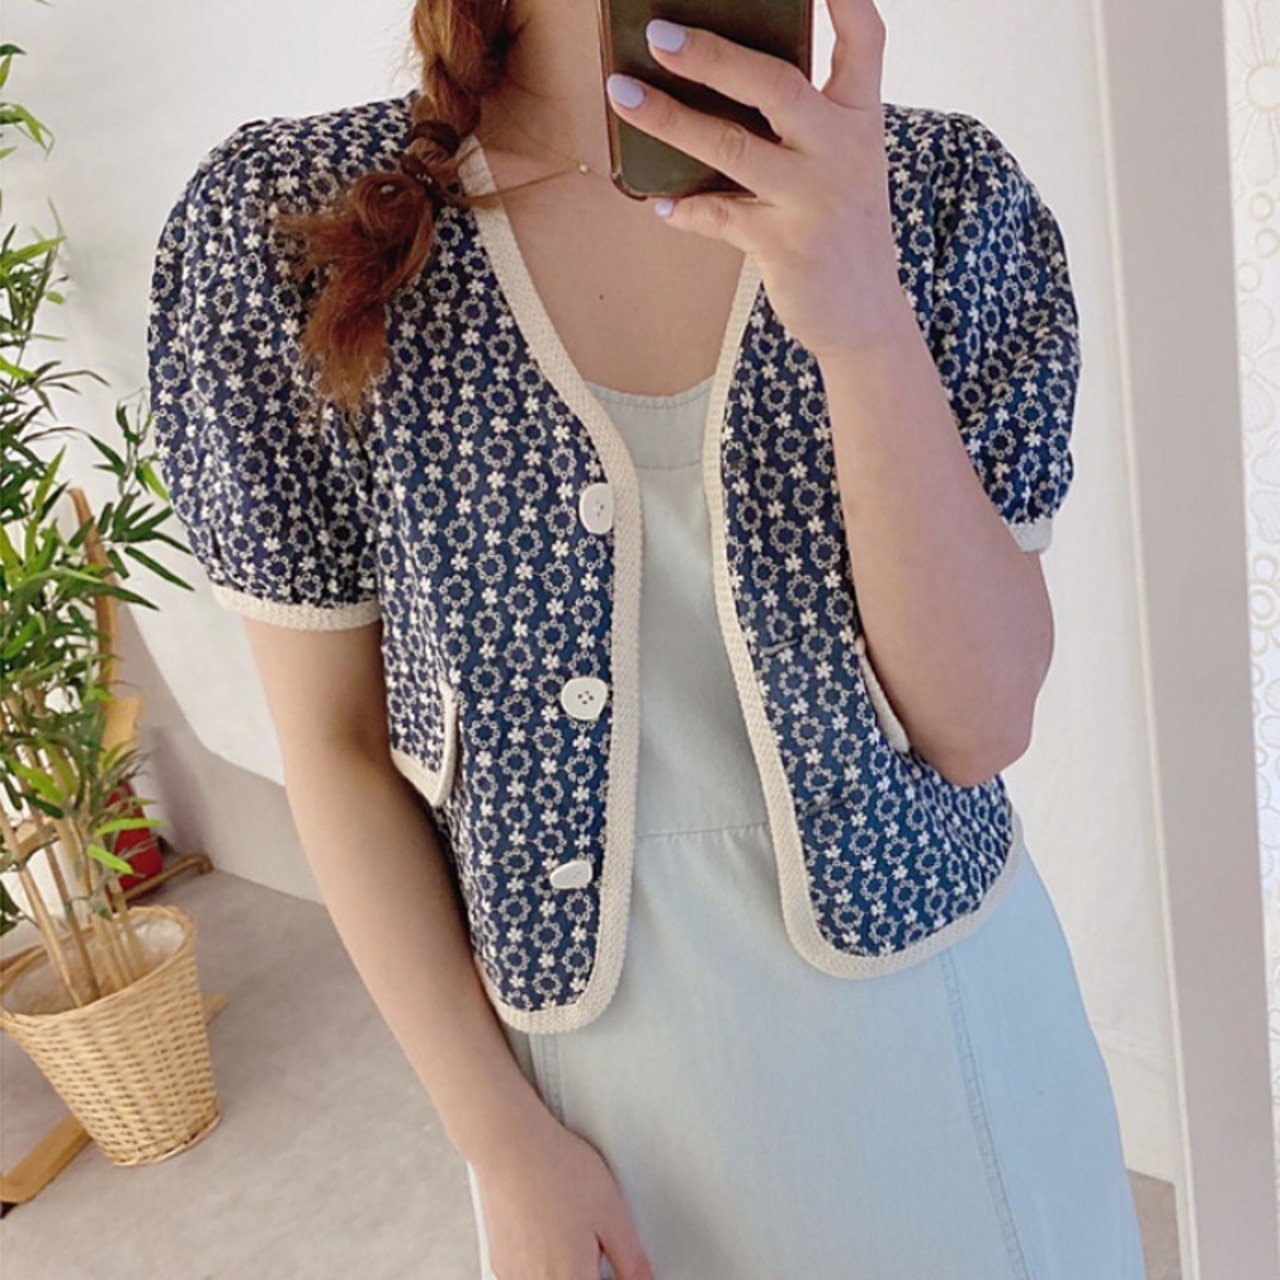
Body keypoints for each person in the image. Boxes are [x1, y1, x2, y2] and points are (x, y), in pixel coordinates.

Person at [146, 0, 1150, 1276]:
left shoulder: (938, 195)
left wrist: (861, 319)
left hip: (959, 1063)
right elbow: (334, 750)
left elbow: (978, 723)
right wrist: (500, 1142)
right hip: (599, 1125)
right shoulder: (291, 227)